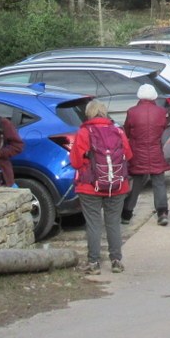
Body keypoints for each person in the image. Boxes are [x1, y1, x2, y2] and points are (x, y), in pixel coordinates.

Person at [70, 100, 133, 274]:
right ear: (105, 113)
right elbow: (128, 154)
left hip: (89, 186)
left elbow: (75, 162)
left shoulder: (84, 132)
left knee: (93, 223)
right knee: (113, 222)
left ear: (88, 114)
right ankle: (116, 260)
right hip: (117, 185)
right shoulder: (118, 131)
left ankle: (94, 263)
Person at [121, 84, 170, 226]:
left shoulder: (132, 112)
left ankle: (127, 213)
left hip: (138, 152)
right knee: (159, 182)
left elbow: (127, 132)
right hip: (156, 151)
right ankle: (162, 213)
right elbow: (164, 130)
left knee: (136, 183)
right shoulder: (161, 112)